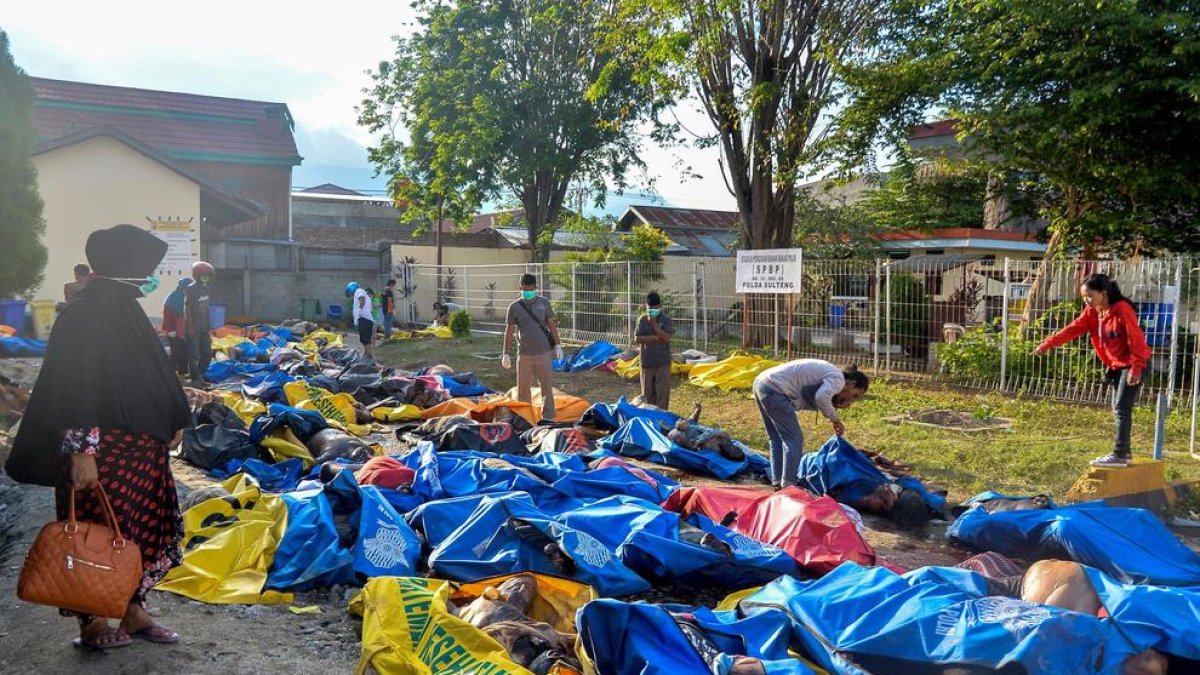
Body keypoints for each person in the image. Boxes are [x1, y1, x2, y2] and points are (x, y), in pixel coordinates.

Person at [6, 224, 192, 650]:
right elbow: (76, 387)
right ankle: (90, 622)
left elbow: (153, 374)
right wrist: (82, 451)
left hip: (143, 451)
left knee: (140, 533)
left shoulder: (124, 307)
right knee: (95, 534)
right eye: (145, 267)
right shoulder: (85, 312)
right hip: (102, 452)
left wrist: (172, 418)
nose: (149, 275)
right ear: (125, 264)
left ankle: (132, 609)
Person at [1034, 273, 1152, 468]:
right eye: (1083, 297)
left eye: (1089, 295)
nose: (1086, 300)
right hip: (1116, 365)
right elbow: (1073, 328)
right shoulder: (1093, 312)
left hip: (1133, 364)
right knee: (1118, 408)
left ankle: (1120, 454)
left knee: (1122, 408)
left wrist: (1137, 367)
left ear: (1103, 293)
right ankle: (1125, 453)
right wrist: (1048, 344)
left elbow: (1136, 339)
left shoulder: (1122, 310)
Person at [751, 359, 869, 489]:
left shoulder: (831, 374)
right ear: (851, 384)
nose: (850, 400)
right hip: (775, 390)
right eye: (855, 395)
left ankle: (778, 481)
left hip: (762, 383)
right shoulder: (838, 380)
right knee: (794, 439)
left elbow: (811, 398)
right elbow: (820, 397)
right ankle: (789, 485)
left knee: (776, 438)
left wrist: (833, 404)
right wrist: (835, 420)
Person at [502, 273, 564, 423]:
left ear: (535, 287)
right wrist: (505, 353)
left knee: (546, 387)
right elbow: (509, 331)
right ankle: (524, 419)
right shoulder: (514, 307)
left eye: (529, 288)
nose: (527, 292)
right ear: (520, 288)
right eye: (524, 289)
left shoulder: (544, 303)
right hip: (524, 355)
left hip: (543, 353)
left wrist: (558, 345)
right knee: (523, 389)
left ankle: (548, 417)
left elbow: (552, 325)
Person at [633, 292, 673, 410]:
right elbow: (637, 338)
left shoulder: (666, 320)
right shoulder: (642, 320)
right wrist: (656, 338)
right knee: (647, 397)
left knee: (662, 397)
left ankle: (661, 421)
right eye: (650, 308)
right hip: (647, 362)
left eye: (655, 308)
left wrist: (654, 324)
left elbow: (666, 338)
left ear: (660, 306)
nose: (652, 311)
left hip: (663, 363)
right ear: (646, 306)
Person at [184, 261, 214, 383]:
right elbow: (187, 309)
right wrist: (190, 327)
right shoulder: (190, 290)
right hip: (194, 328)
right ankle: (194, 377)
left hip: (204, 327)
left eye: (208, 274)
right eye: (204, 274)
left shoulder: (206, 288)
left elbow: (207, 307)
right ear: (196, 275)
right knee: (194, 355)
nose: (206, 277)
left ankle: (200, 374)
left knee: (207, 353)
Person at [161, 277, 193, 376]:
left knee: (185, 353)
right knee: (177, 353)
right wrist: (171, 330)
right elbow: (167, 315)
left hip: (183, 331)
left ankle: (182, 372)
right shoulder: (173, 297)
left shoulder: (188, 296)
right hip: (173, 331)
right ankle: (170, 373)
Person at [348, 281, 374, 357]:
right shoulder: (364, 293)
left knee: (364, 338)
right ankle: (366, 353)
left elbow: (362, 299)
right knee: (366, 338)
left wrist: (359, 311)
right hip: (368, 319)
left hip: (363, 318)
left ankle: (369, 355)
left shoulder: (358, 291)